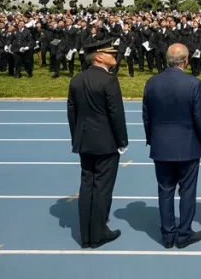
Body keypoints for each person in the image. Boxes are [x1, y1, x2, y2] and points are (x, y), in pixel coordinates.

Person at [142, 43, 201, 249]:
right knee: (187, 191)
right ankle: (184, 233)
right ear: (186, 61)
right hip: (187, 145)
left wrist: (151, 139)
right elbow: (200, 117)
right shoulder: (193, 83)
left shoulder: (151, 82)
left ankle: (168, 234)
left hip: (161, 145)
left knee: (165, 190)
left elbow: (147, 116)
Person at [66, 38, 128, 249]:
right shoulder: (109, 80)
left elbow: (72, 113)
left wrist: (77, 137)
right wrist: (122, 140)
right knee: (102, 188)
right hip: (106, 141)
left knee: (87, 185)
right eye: (111, 53)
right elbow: (116, 114)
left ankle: (86, 235)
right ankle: (99, 232)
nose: (115, 56)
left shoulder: (76, 79)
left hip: (84, 140)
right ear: (99, 56)